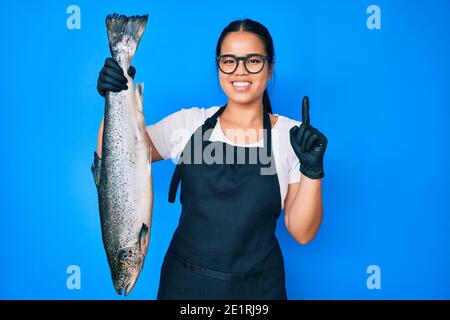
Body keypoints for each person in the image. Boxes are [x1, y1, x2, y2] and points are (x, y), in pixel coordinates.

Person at [94, 18, 328, 300]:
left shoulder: (291, 137)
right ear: (219, 66)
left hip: (257, 293)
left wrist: (312, 169)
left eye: (253, 61)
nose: (240, 71)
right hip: (183, 288)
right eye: (229, 61)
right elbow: (116, 162)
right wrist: (114, 96)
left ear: (269, 68)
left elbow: (302, 232)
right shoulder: (188, 124)